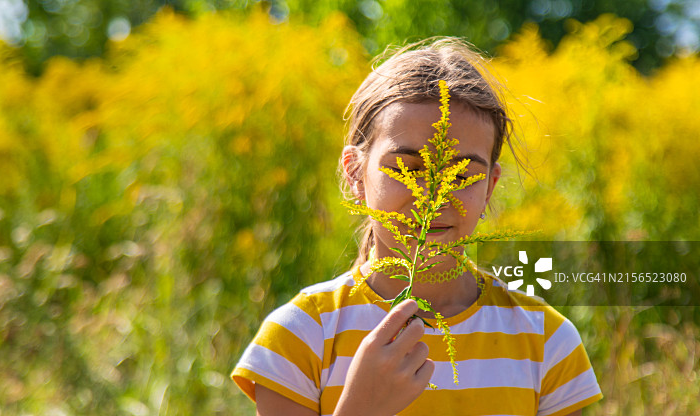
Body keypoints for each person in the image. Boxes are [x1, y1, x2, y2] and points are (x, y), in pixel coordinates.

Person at [231, 37, 602, 416]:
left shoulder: (546, 340)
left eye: (462, 176)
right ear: (356, 174)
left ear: (489, 187)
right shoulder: (299, 336)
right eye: (408, 169)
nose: (433, 198)